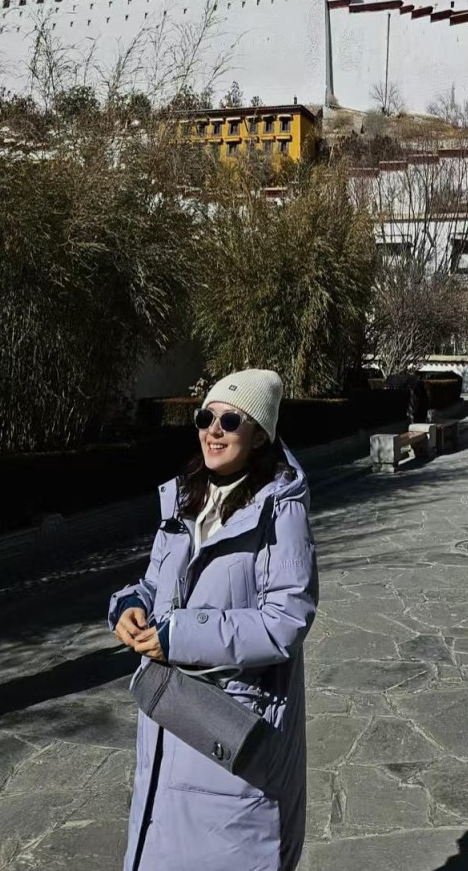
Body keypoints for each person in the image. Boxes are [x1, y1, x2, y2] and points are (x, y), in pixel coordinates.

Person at [110, 369, 318, 871]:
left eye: (231, 420)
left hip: (228, 730)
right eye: (206, 417)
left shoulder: (279, 510)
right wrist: (127, 606)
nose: (214, 430)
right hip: (168, 720)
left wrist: (177, 635)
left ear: (260, 435)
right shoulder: (186, 500)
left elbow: (286, 618)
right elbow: (155, 585)